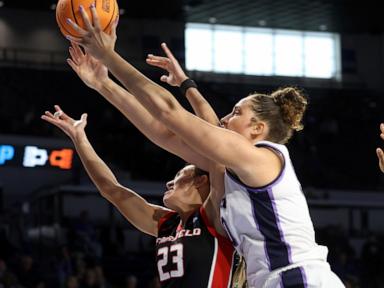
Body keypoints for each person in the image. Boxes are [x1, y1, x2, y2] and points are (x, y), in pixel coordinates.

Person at [65, 6, 345, 287]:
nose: (225, 118)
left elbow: (170, 112)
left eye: (236, 113)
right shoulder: (235, 171)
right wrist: (103, 85)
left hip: (298, 277)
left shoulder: (262, 158)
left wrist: (109, 56)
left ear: (258, 128)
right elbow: (163, 133)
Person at [41, 106, 235, 287]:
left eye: (178, 176)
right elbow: (112, 190)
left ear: (200, 181)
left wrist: (187, 85)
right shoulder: (166, 224)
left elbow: (216, 151)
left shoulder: (214, 214)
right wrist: (79, 137)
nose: (168, 183)